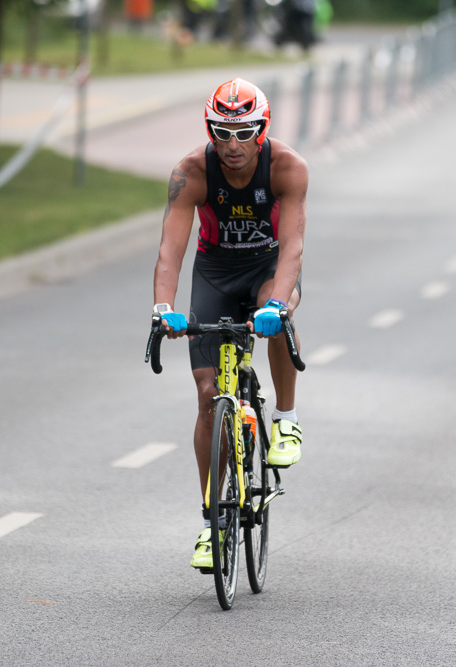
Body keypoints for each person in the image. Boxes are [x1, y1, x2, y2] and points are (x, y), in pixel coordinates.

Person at [151, 78, 308, 570]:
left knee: (277, 317)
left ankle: (285, 420)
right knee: (205, 395)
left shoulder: (287, 167)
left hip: (267, 267)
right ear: (209, 130)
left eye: (243, 132)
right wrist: (163, 309)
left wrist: (277, 303)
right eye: (222, 132)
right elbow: (170, 252)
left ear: (261, 129)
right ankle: (211, 523)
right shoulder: (191, 172)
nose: (232, 145)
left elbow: (293, 248)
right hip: (215, 272)